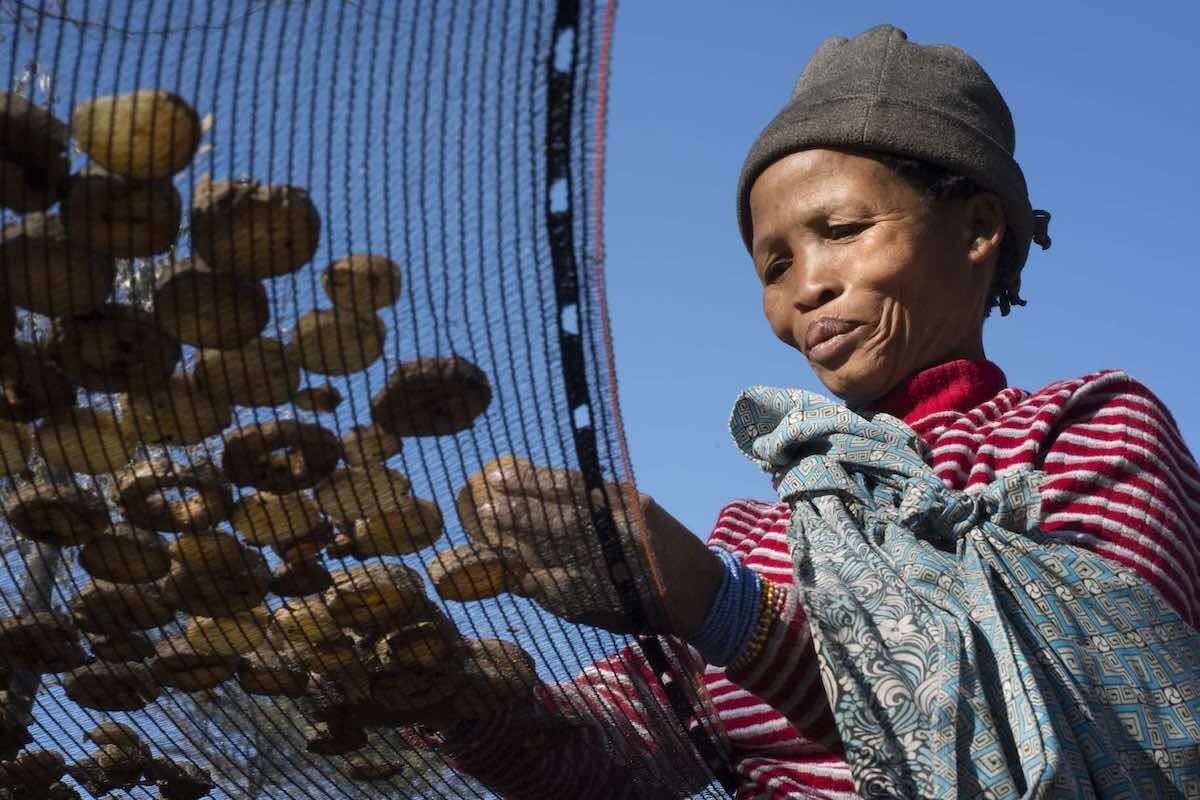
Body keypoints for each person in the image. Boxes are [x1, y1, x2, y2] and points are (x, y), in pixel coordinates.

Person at [418, 24, 1200, 798]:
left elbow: (1091, 719)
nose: (807, 288)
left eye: (844, 231)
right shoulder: (758, 536)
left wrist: (723, 609)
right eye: (776, 264)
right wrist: (445, 691)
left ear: (978, 228)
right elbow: (606, 761)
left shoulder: (1084, 428)